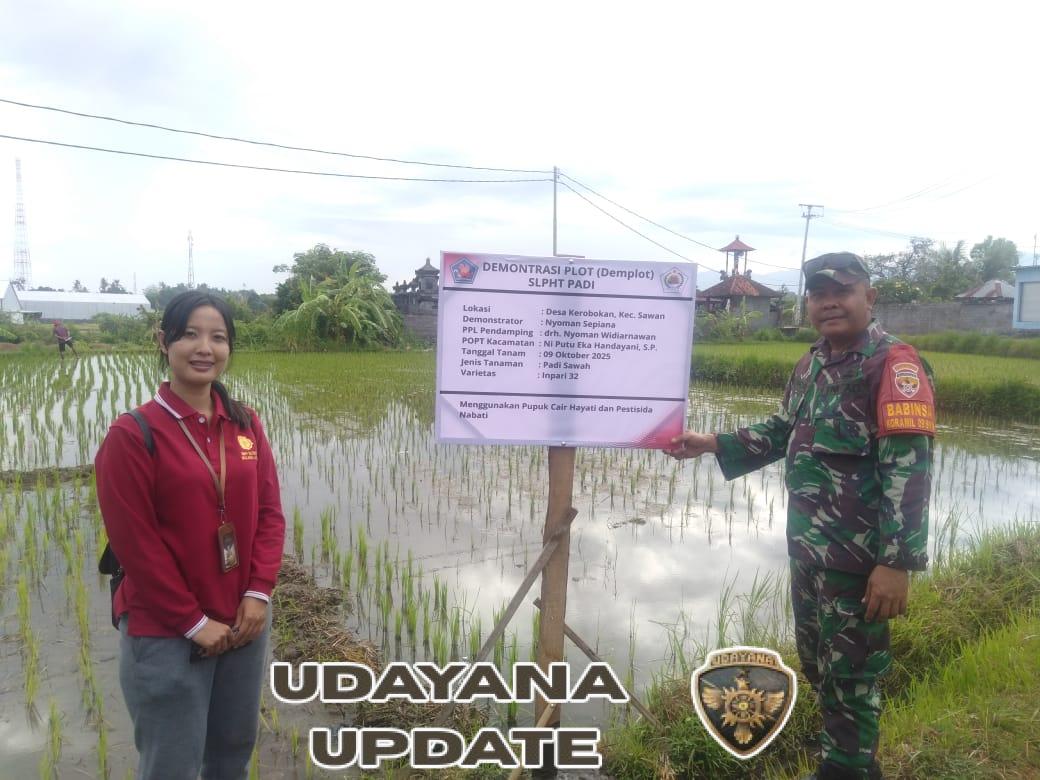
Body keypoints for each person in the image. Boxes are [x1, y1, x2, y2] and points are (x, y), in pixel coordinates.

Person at [666, 252, 934, 780]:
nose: (828, 302)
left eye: (843, 290)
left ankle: (851, 770)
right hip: (809, 551)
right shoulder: (811, 364)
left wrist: (897, 563)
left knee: (853, 674)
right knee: (818, 666)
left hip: (859, 561)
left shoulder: (894, 364)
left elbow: (909, 470)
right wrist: (711, 442)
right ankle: (841, 759)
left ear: (869, 297)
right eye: (817, 293)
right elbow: (781, 432)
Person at [95, 290, 286, 779]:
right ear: (164, 342)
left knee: (231, 754)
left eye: (218, 337)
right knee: (171, 764)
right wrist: (192, 621)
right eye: (190, 335)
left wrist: (258, 593)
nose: (205, 348)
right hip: (166, 632)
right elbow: (136, 547)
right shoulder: (133, 435)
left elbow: (269, 515)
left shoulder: (246, 425)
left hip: (242, 623)